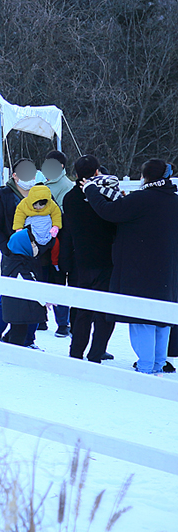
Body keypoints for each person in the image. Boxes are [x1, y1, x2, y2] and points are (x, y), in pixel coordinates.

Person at [84, 158, 178, 374]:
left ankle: (145, 368)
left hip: (141, 271)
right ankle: (158, 362)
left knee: (142, 319)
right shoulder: (173, 200)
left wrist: (91, 189)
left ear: (145, 177)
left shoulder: (141, 199)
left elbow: (109, 211)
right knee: (162, 320)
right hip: (169, 271)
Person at [58, 155, 116, 363]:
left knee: (82, 310)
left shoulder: (70, 198)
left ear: (75, 174)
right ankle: (96, 351)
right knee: (104, 311)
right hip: (106, 259)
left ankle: (76, 351)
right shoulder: (104, 196)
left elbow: (69, 232)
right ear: (97, 172)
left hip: (80, 260)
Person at [0, 158, 42, 348]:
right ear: (15, 176)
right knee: (8, 297)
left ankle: (28, 340)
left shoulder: (41, 194)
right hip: (12, 256)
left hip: (37, 255)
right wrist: (7, 248)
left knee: (35, 297)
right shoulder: (4, 196)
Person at [40, 150, 74, 337]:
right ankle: (41, 319)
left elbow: (62, 214)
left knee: (56, 281)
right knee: (41, 278)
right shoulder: (43, 183)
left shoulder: (65, 185)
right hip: (41, 240)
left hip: (56, 242)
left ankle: (63, 323)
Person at [1, 229, 48, 346]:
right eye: (32, 244)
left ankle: (7, 342)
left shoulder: (18, 261)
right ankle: (13, 356)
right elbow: (30, 285)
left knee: (18, 329)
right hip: (19, 308)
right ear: (23, 246)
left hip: (20, 307)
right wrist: (44, 300)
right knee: (18, 333)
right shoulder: (20, 265)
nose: (35, 247)